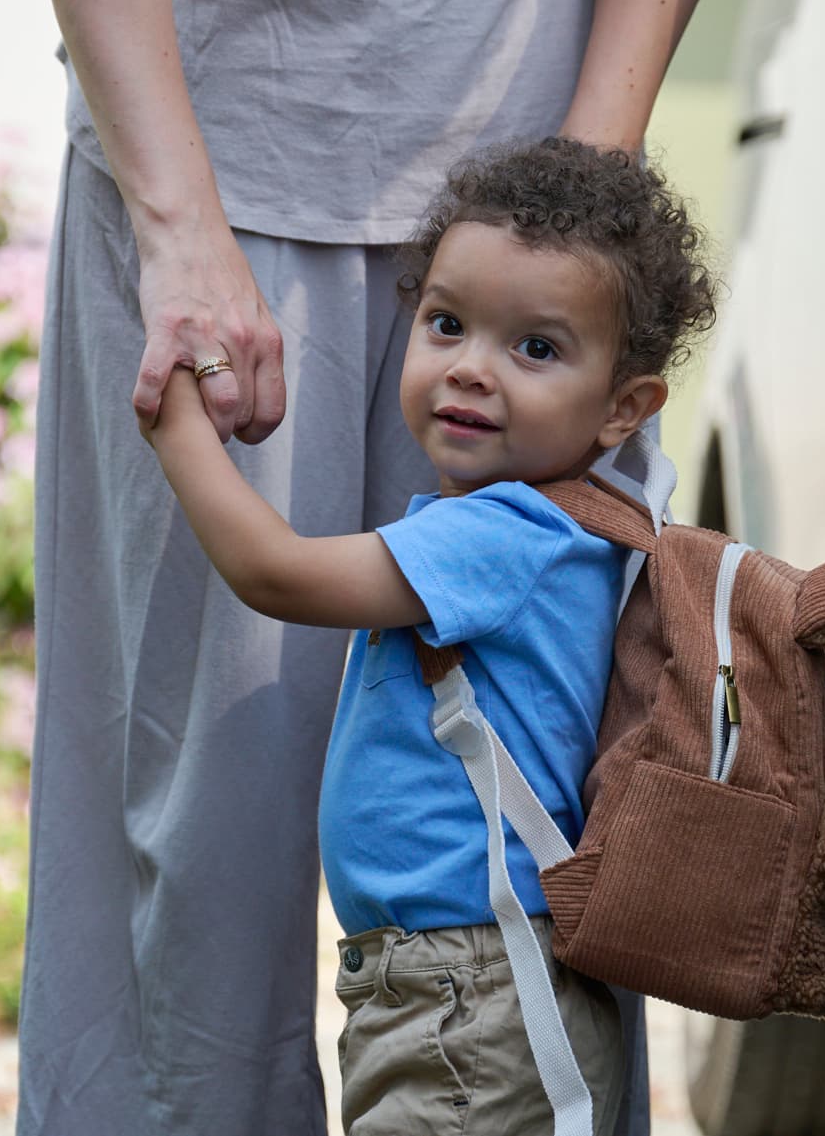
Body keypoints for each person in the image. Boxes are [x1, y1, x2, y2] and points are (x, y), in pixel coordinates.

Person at [14, 0, 738, 1131]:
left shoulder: (540, 333)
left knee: (521, 863)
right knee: (188, 866)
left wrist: (574, 230)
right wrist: (177, 237)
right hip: (210, 179)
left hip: (528, 249)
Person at [141, 139, 716, 1133]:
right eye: (446, 323)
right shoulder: (550, 530)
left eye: (534, 348)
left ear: (626, 407)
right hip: (461, 983)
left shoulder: (505, 534)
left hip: (468, 988)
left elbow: (274, 572)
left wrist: (180, 429)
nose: (470, 370)